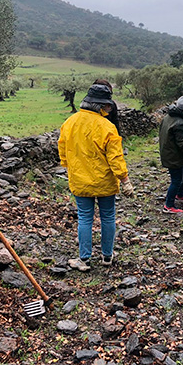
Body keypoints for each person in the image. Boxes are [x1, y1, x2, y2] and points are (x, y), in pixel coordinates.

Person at [58, 82, 134, 271]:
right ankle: (107, 256)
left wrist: (71, 167)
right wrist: (125, 180)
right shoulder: (107, 127)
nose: (109, 108)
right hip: (104, 182)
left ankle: (84, 260)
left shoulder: (70, 123)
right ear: (101, 106)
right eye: (107, 105)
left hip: (79, 181)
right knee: (108, 217)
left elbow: (62, 150)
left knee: (85, 218)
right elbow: (115, 157)